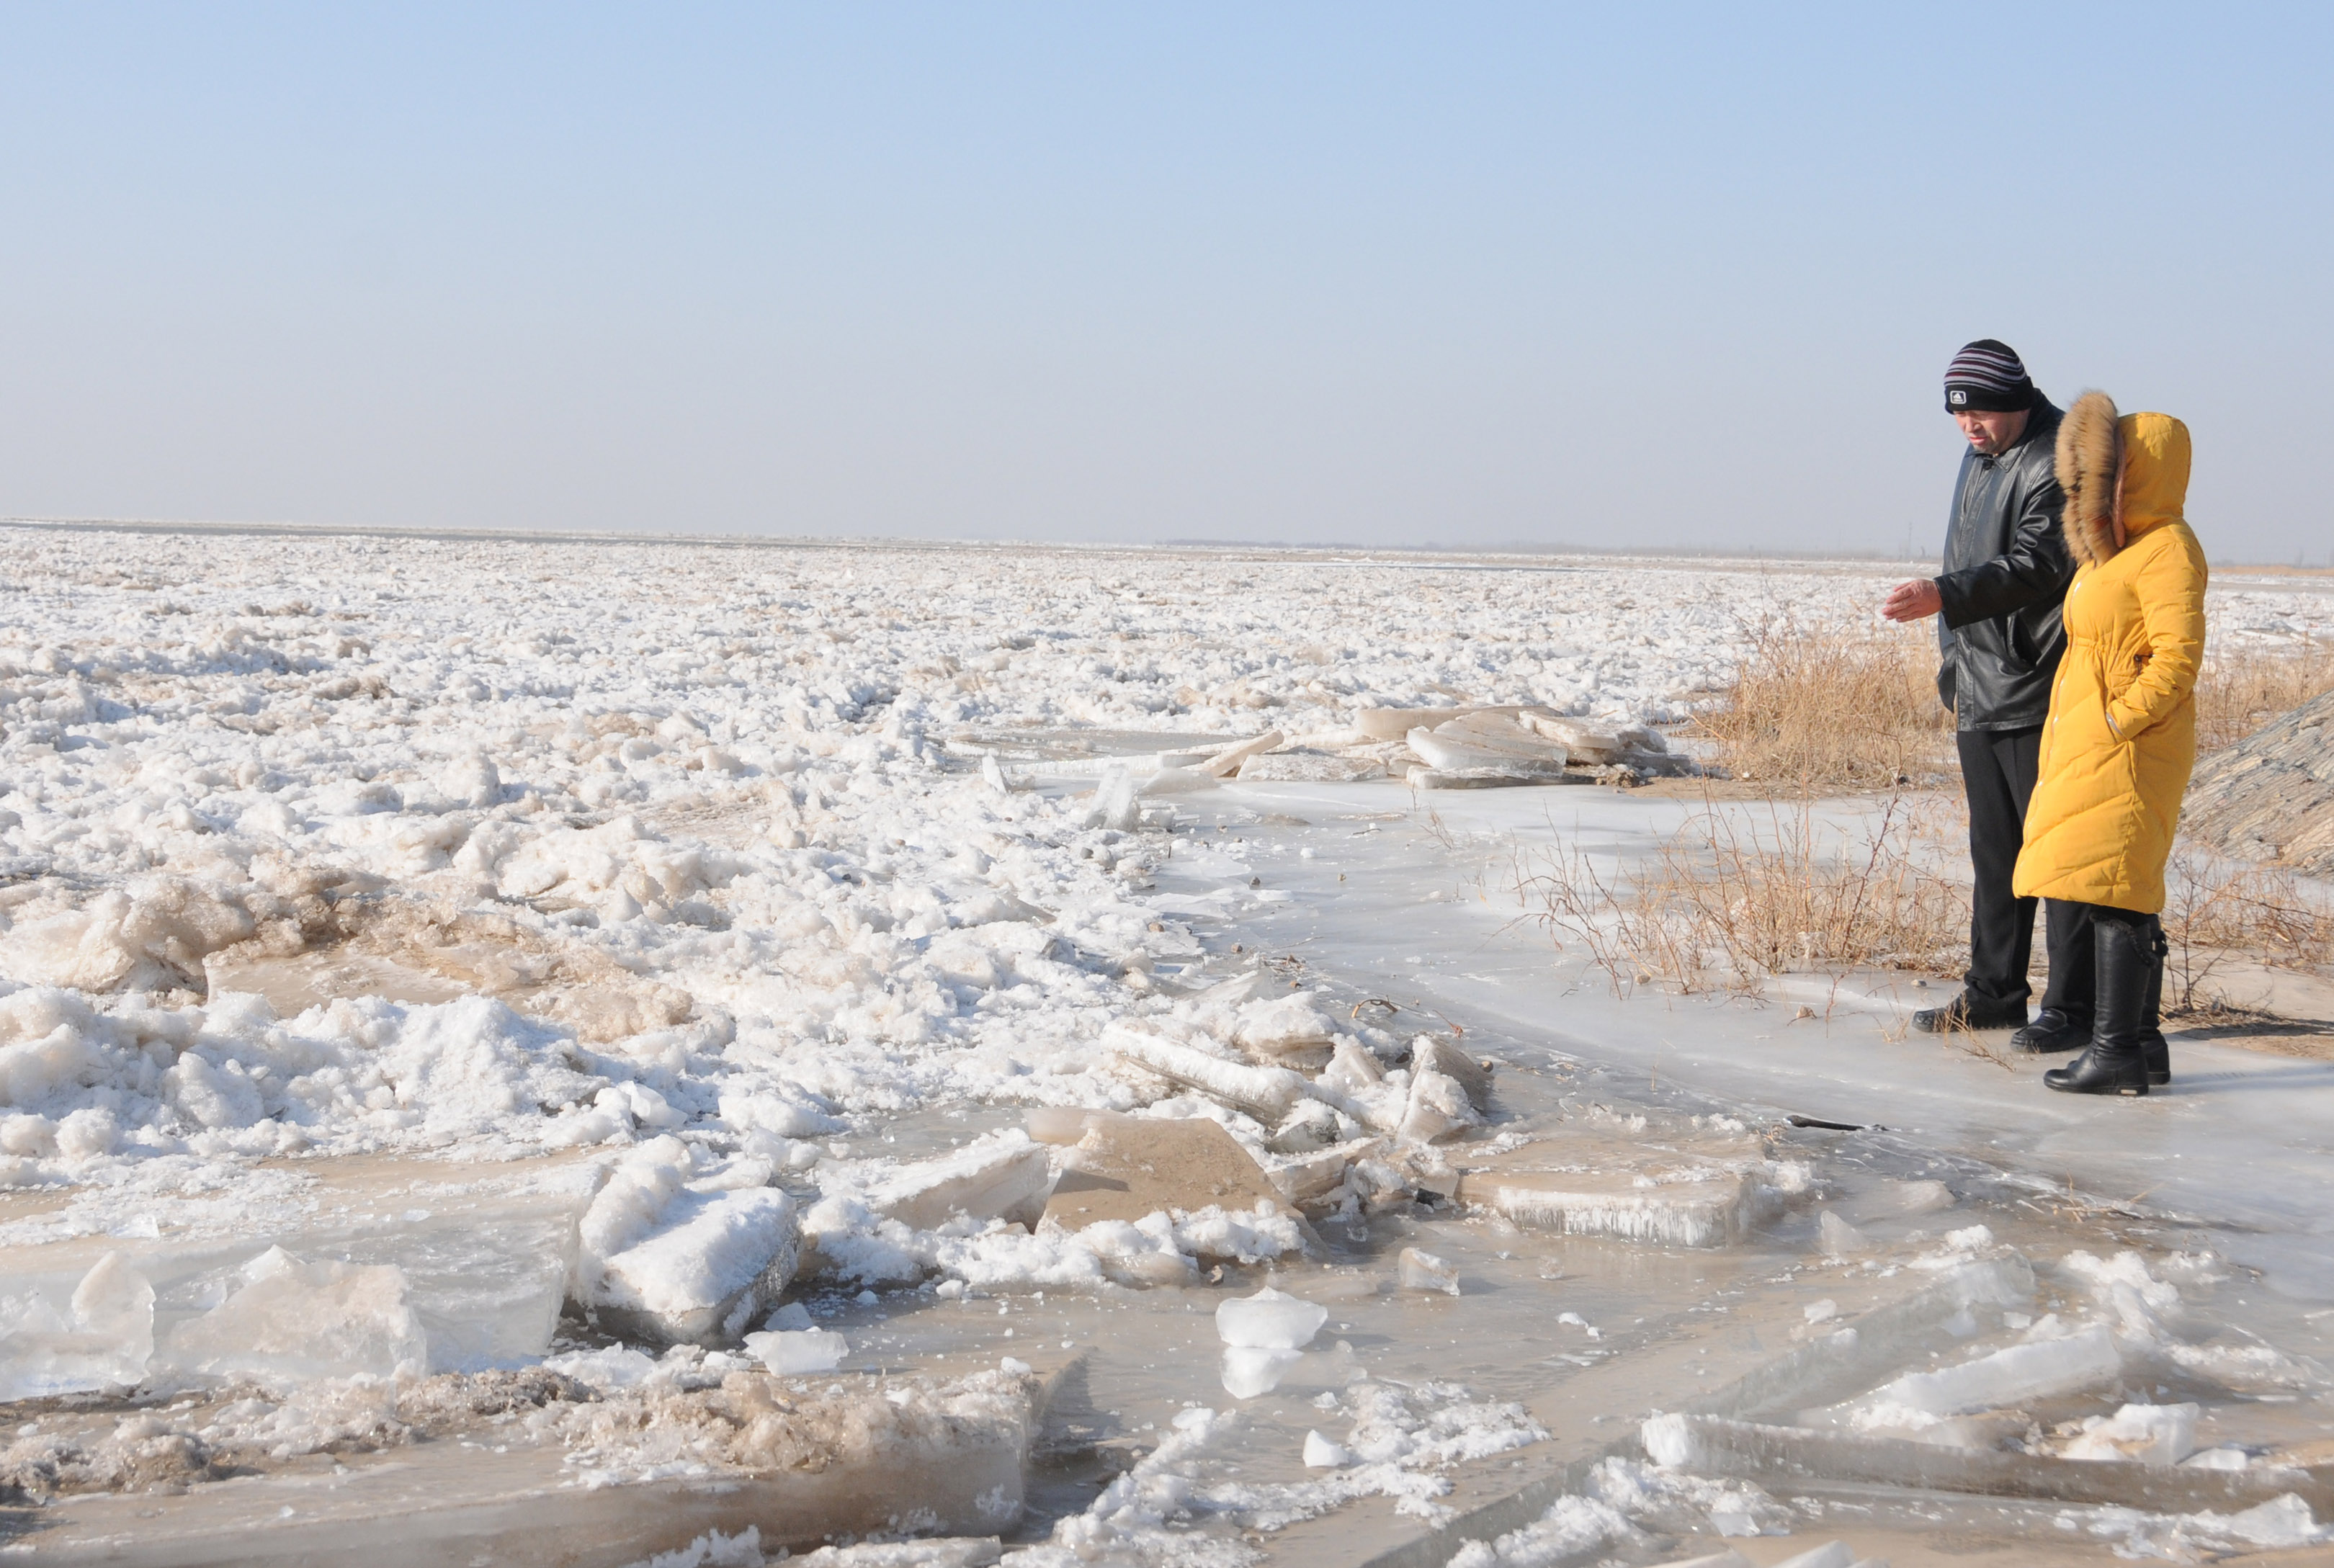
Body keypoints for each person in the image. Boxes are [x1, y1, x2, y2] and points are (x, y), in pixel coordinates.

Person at [2012, 394, 2206, 1096]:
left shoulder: (2169, 550)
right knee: (2123, 889)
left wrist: (2120, 720)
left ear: (2140, 471)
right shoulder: (2115, 552)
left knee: (2118, 891)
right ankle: (2142, 1047)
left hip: (2132, 747)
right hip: (2100, 743)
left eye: (2110, 469)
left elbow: (2178, 660)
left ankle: (2115, 1048)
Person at [1882, 341, 2077, 1036]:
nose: (1970, 426)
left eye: (1984, 412)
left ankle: (2071, 1008)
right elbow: (1966, 552)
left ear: (2018, 399)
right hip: (1977, 681)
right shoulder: (1982, 452)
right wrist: (1952, 651)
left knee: (2054, 854)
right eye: (1960, 415)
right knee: (1995, 851)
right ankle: (1993, 993)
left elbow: (2037, 564)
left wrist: (1944, 595)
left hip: (2033, 684)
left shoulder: (2059, 456)